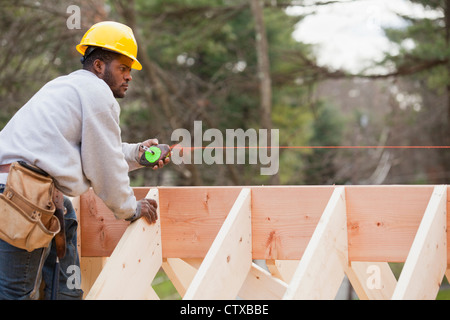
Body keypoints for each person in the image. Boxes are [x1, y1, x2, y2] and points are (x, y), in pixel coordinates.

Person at [0, 21, 169, 300]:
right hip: (20, 195)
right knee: (14, 292)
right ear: (100, 66)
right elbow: (104, 168)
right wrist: (130, 208)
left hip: (20, 188)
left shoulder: (67, 86)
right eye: (123, 68)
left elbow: (96, 152)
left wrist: (137, 154)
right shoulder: (97, 93)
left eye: (130, 71)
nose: (129, 77)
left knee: (65, 214)